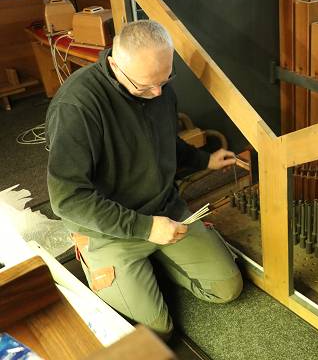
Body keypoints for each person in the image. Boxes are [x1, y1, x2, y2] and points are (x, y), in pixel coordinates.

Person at [46, 19, 243, 338]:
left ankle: (157, 261)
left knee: (227, 288)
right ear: (114, 64)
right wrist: (146, 229)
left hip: (164, 210)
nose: (157, 93)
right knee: (156, 333)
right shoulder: (76, 106)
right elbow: (67, 199)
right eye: (144, 86)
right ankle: (103, 260)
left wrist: (205, 159)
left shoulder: (158, 87)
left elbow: (166, 142)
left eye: (164, 80)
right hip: (110, 230)